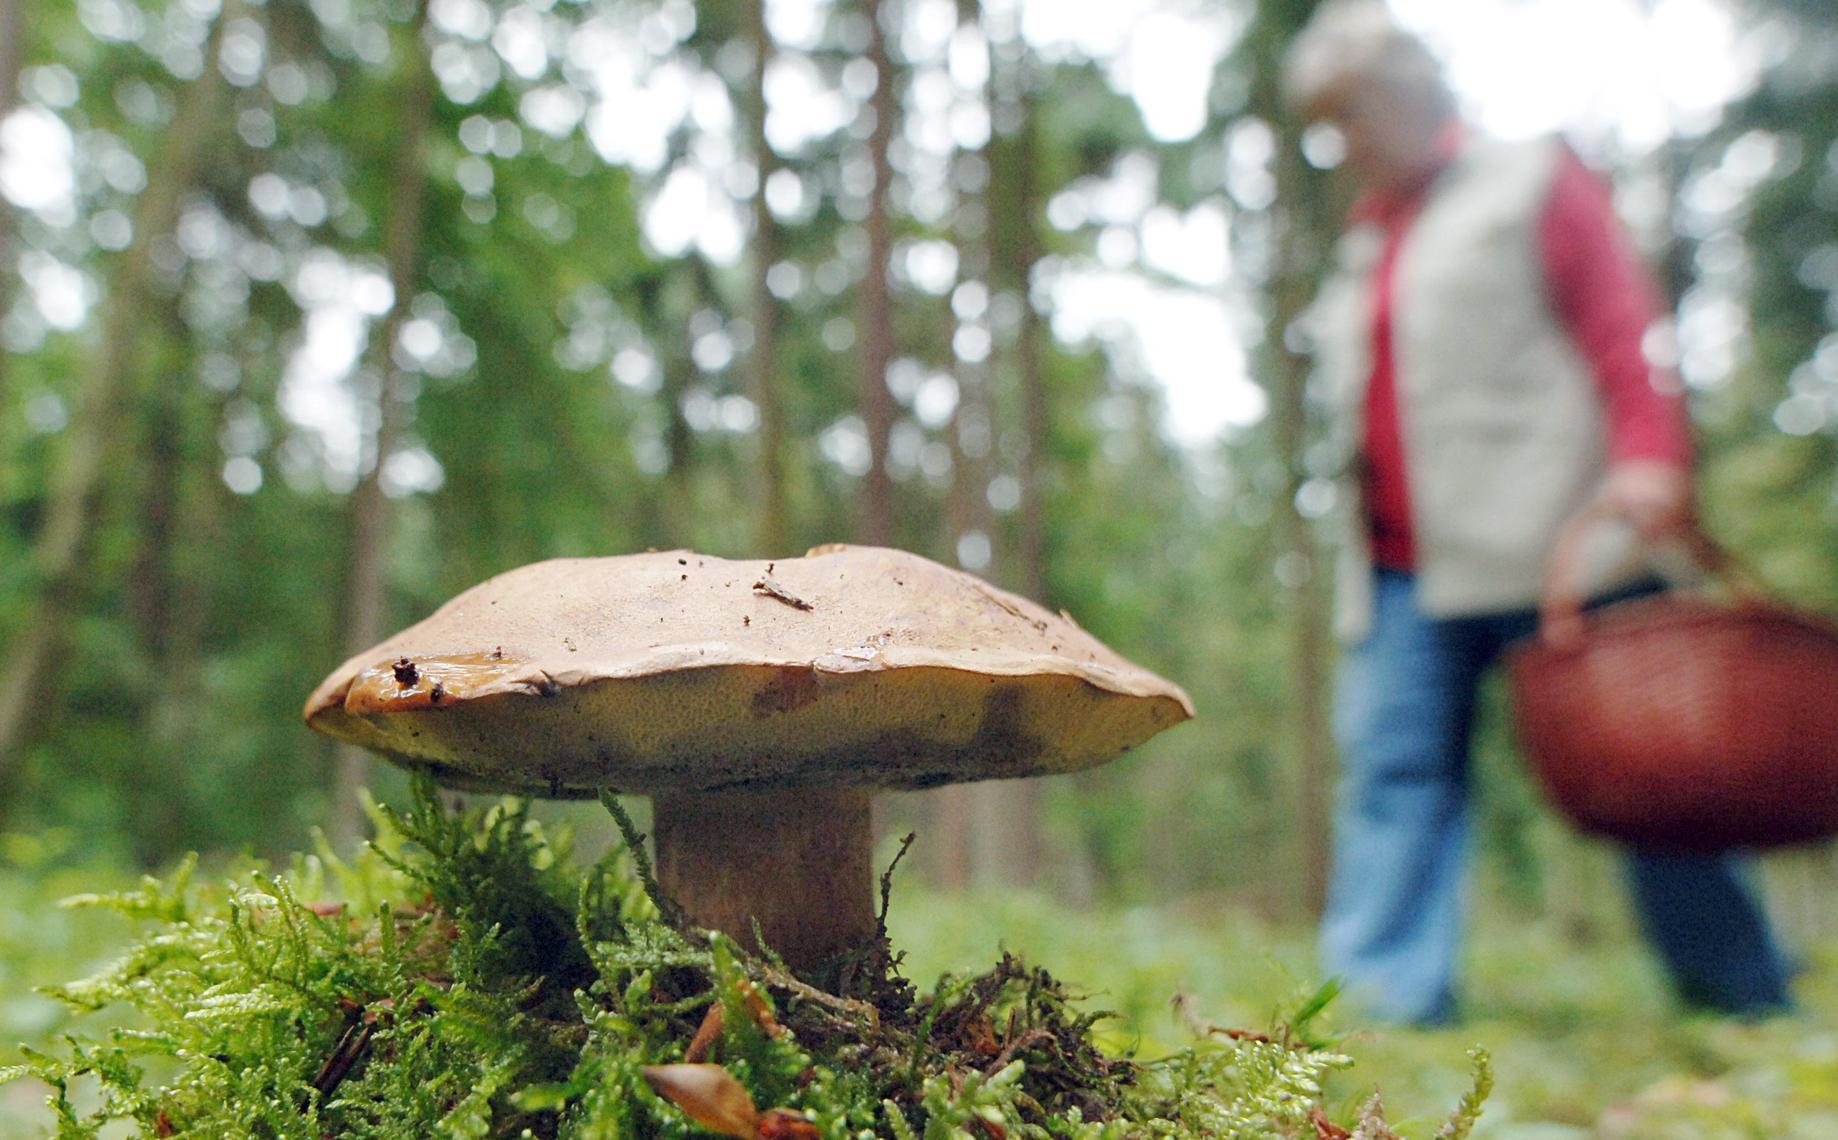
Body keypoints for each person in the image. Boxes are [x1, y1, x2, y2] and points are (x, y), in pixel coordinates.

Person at [1283, 0, 1793, 1025]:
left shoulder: (1525, 180)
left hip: (1555, 541)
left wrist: (1649, 460)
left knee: (1654, 767)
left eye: (1348, 116)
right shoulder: (1368, 235)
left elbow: (1618, 322)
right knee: (1391, 775)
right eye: (1325, 124)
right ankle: (1383, 1008)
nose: (1339, 145)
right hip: (1395, 568)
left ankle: (1739, 999)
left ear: (1405, 93)